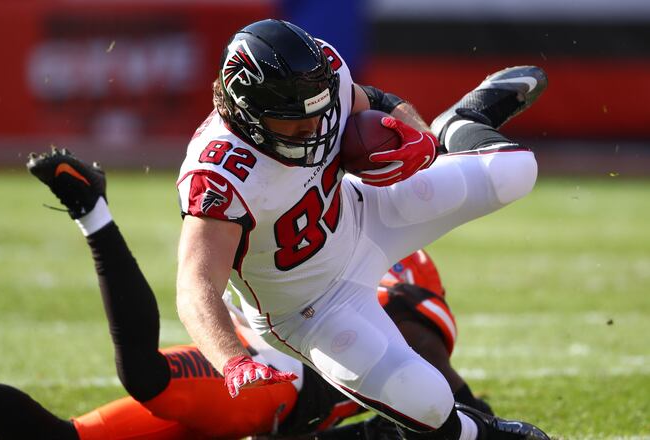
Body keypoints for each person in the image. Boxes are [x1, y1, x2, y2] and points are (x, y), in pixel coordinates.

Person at [0, 150, 492, 439]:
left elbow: (430, 369)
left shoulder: (384, 247)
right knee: (146, 377)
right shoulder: (379, 253)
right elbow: (423, 357)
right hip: (270, 381)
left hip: (275, 392)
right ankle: (93, 213)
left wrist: (475, 415)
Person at [175, 18, 549, 440]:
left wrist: (421, 138)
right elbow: (195, 285)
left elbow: (374, 99)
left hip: (362, 211)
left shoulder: (322, 79)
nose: (315, 129)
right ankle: (481, 433)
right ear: (248, 113)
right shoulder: (220, 174)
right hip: (310, 307)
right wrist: (233, 360)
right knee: (425, 399)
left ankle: (456, 125)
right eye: (293, 121)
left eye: (317, 114)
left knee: (516, 171)